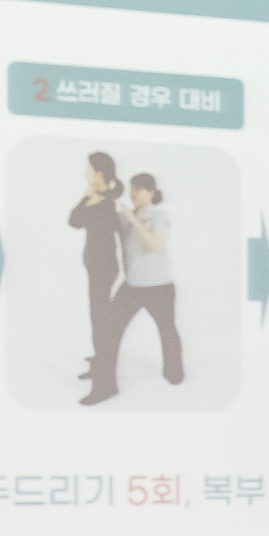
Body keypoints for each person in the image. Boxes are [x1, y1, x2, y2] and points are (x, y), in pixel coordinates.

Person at [81, 172, 181, 405]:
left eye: (140, 189)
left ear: (151, 192)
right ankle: (105, 386)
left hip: (160, 287)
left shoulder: (159, 215)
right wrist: (94, 195)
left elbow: (155, 244)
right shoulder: (124, 216)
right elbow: (100, 220)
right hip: (132, 287)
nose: (134, 193)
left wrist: (133, 218)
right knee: (108, 332)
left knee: (167, 332)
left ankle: (174, 373)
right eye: (133, 189)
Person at [71, 153, 126, 381]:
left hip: (103, 268)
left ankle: (103, 370)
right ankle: (100, 361)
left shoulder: (107, 202)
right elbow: (73, 220)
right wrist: (86, 197)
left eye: (88, 170)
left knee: (100, 319)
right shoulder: (98, 198)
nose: (85, 174)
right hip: (97, 267)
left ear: (98, 173)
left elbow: (76, 221)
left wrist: (90, 202)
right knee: (98, 317)